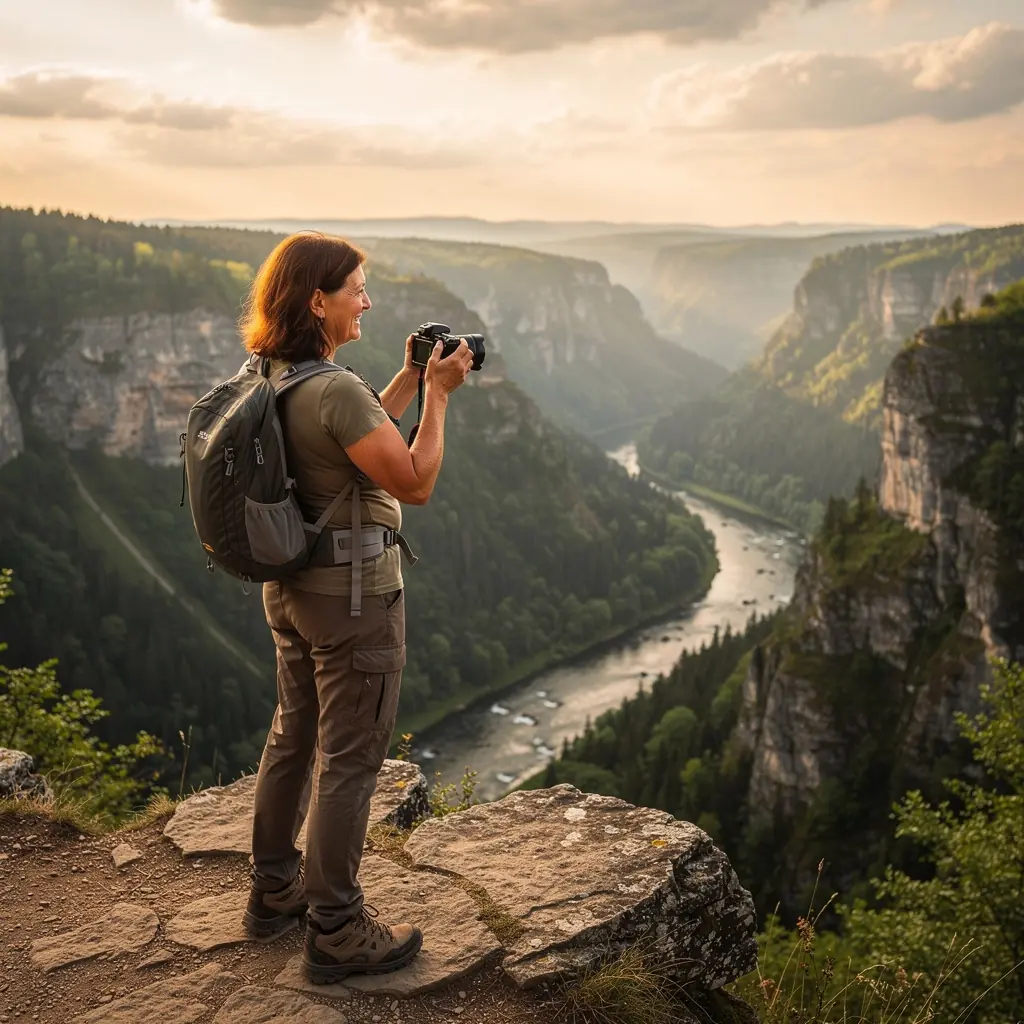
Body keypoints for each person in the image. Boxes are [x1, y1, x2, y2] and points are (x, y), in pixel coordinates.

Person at [237, 231, 472, 983]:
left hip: (292, 590)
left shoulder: (276, 372)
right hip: (353, 602)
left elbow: (344, 439)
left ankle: (276, 889)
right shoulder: (332, 388)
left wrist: (403, 378)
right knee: (350, 760)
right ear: (318, 300)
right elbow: (412, 480)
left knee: (293, 736)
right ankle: (336, 926)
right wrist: (436, 397)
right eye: (357, 289)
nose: (367, 300)